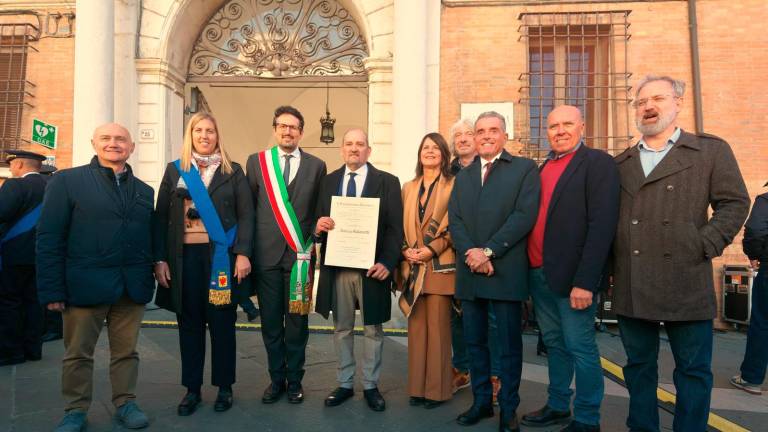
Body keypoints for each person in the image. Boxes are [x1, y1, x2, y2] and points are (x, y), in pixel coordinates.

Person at [612, 75, 750, 432]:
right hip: (633, 281)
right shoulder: (621, 162)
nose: (648, 107)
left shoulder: (709, 151)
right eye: (641, 102)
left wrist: (703, 243)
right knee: (638, 368)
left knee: (692, 371)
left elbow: (734, 203)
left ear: (678, 103)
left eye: (657, 98)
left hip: (686, 278)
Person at [37, 123, 156, 431]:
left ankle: (125, 402)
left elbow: (148, 236)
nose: (113, 143)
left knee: (127, 352)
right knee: (77, 354)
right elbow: (49, 237)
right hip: (83, 285)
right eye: (106, 138)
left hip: (131, 288)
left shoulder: (145, 191)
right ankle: (75, 409)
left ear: (131, 147)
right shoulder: (67, 182)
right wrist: (51, 290)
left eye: (120, 139)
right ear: (94, 143)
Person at [521, 105, 620, 432]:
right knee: (555, 344)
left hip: (573, 279)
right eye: (553, 126)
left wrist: (586, 282)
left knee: (581, 347)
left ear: (582, 127)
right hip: (539, 273)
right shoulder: (544, 165)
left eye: (567, 124)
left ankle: (588, 418)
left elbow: (602, 226)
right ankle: (558, 404)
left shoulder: (597, 164)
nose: (560, 131)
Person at [153, 112, 255, 415]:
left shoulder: (232, 171)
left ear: (217, 135)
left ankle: (225, 388)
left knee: (223, 326)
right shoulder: (175, 171)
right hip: (184, 261)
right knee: (189, 325)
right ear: (190, 135)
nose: (205, 136)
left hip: (220, 260)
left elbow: (246, 215)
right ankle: (192, 389)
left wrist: (244, 253)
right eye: (198, 130)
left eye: (210, 131)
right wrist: (159, 259)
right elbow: (160, 218)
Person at [448, 111, 540, 432]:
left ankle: (508, 410)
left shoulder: (525, 169)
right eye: (480, 131)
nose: (486, 136)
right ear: (474, 137)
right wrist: (472, 254)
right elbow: (455, 220)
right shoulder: (464, 175)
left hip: (505, 272)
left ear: (504, 134)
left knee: (509, 347)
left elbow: (523, 216)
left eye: (493, 130)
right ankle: (482, 402)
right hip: (470, 272)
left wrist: (488, 251)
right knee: (475, 344)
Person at [315, 128, 404, 412]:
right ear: (342, 149)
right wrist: (319, 227)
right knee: (341, 328)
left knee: (373, 329)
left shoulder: (387, 182)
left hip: (372, 269)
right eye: (349, 143)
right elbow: (316, 222)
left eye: (360, 144)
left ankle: (370, 385)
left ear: (369, 150)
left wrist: (388, 263)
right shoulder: (328, 182)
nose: (354, 148)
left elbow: (394, 229)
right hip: (338, 268)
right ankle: (344, 382)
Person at [246, 106, 327, 404]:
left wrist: (319, 231)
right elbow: (249, 211)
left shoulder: (317, 166)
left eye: (293, 127)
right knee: (270, 323)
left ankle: (295, 380)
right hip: (266, 258)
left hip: (299, 259)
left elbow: (320, 209)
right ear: (275, 128)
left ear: (301, 132)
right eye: (282, 126)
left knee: (297, 325)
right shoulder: (257, 163)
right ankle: (275, 379)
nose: (287, 131)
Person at [398, 132, 456, 409]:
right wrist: (404, 250)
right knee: (417, 329)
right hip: (413, 268)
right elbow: (397, 225)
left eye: (435, 148)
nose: (430, 152)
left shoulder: (453, 185)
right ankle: (417, 388)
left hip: (439, 267)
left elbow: (456, 225)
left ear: (444, 154)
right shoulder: (408, 187)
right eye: (425, 148)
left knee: (439, 332)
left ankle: (438, 391)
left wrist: (431, 249)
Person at [448, 118, 503, 401]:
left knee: (491, 318)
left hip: (488, 255)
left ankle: (494, 375)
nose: (464, 139)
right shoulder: (448, 174)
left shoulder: (494, 170)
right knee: (459, 318)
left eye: (469, 133)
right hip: (455, 255)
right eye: (458, 135)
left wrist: (484, 252)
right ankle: (462, 368)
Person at [0, 150, 48, 366]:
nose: (10, 169)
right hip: (45, 255)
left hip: (14, 253)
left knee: (9, 302)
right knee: (35, 302)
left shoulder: (14, 185)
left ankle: (12, 352)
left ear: (19, 165)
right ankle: (33, 349)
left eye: (12, 165)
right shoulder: (54, 186)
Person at [730, 185, 768, 395]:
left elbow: (756, 229)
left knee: (762, 324)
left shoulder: (766, 199)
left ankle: (751, 378)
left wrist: (755, 255)